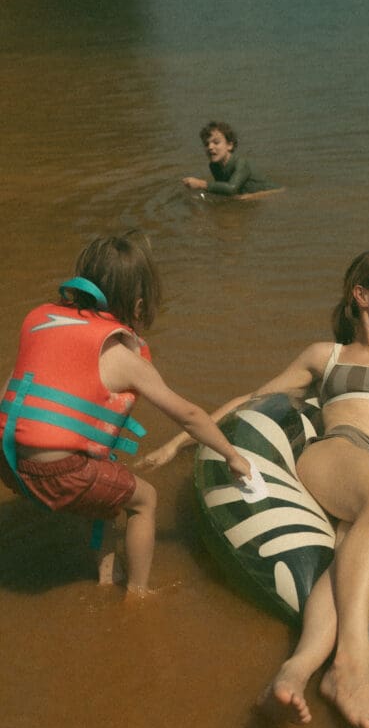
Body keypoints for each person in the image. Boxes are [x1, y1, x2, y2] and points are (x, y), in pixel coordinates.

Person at [140, 250, 369, 728]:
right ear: (362, 295)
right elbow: (253, 400)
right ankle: (353, 668)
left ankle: (296, 670)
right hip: (338, 454)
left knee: (353, 549)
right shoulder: (324, 355)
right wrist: (182, 440)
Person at [0, 234, 250, 597]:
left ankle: (106, 576)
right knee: (144, 500)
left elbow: (17, 389)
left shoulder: (44, 321)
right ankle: (138, 594)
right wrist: (232, 455)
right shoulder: (120, 357)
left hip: (7, 460)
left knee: (108, 491)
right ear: (138, 303)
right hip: (57, 470)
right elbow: (190, 415)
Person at [182, 120, 282, 200]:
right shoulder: (214, 166)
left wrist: (201, 184)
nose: (210, 147)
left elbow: (231, 188)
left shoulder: (241, 163)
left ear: (229, 145)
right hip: (248, 196)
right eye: (206, 144)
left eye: (216, 142)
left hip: (274, 194)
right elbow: (223, 190)